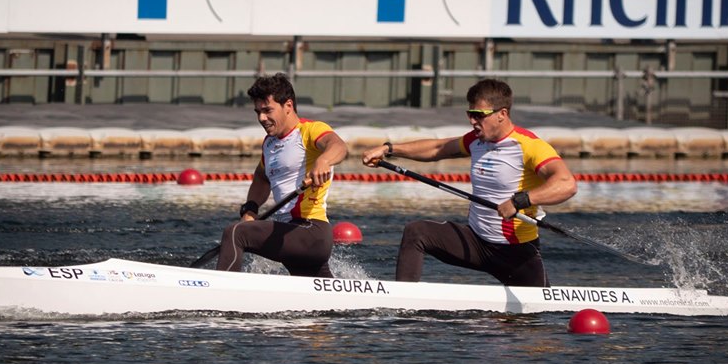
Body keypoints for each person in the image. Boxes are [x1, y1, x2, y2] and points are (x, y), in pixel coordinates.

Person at [362, 79, 577, 286]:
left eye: (479, 115)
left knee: (534, 311)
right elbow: (438, 148)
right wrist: (389, 149)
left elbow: (567, 184)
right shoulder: (476, 140)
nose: (473, 121)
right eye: (470, 114)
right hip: (476, 242)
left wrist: (519, 201)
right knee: (416, 232)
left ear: (502, 114)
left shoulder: (530, 146)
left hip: (515, 251)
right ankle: (403, 301)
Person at [216, 73, 348, 278]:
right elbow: (261, 177)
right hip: (290, 233)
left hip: (311, 232)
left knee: (236, 233)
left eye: (267, 110)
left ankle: (221, 289)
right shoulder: (269, 143)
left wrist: (323, 161)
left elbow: (338, 146)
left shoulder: (310, 130)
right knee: (321, 295)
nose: (261, 118)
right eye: (258, 112)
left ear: (288, 105)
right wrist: (250, 209)